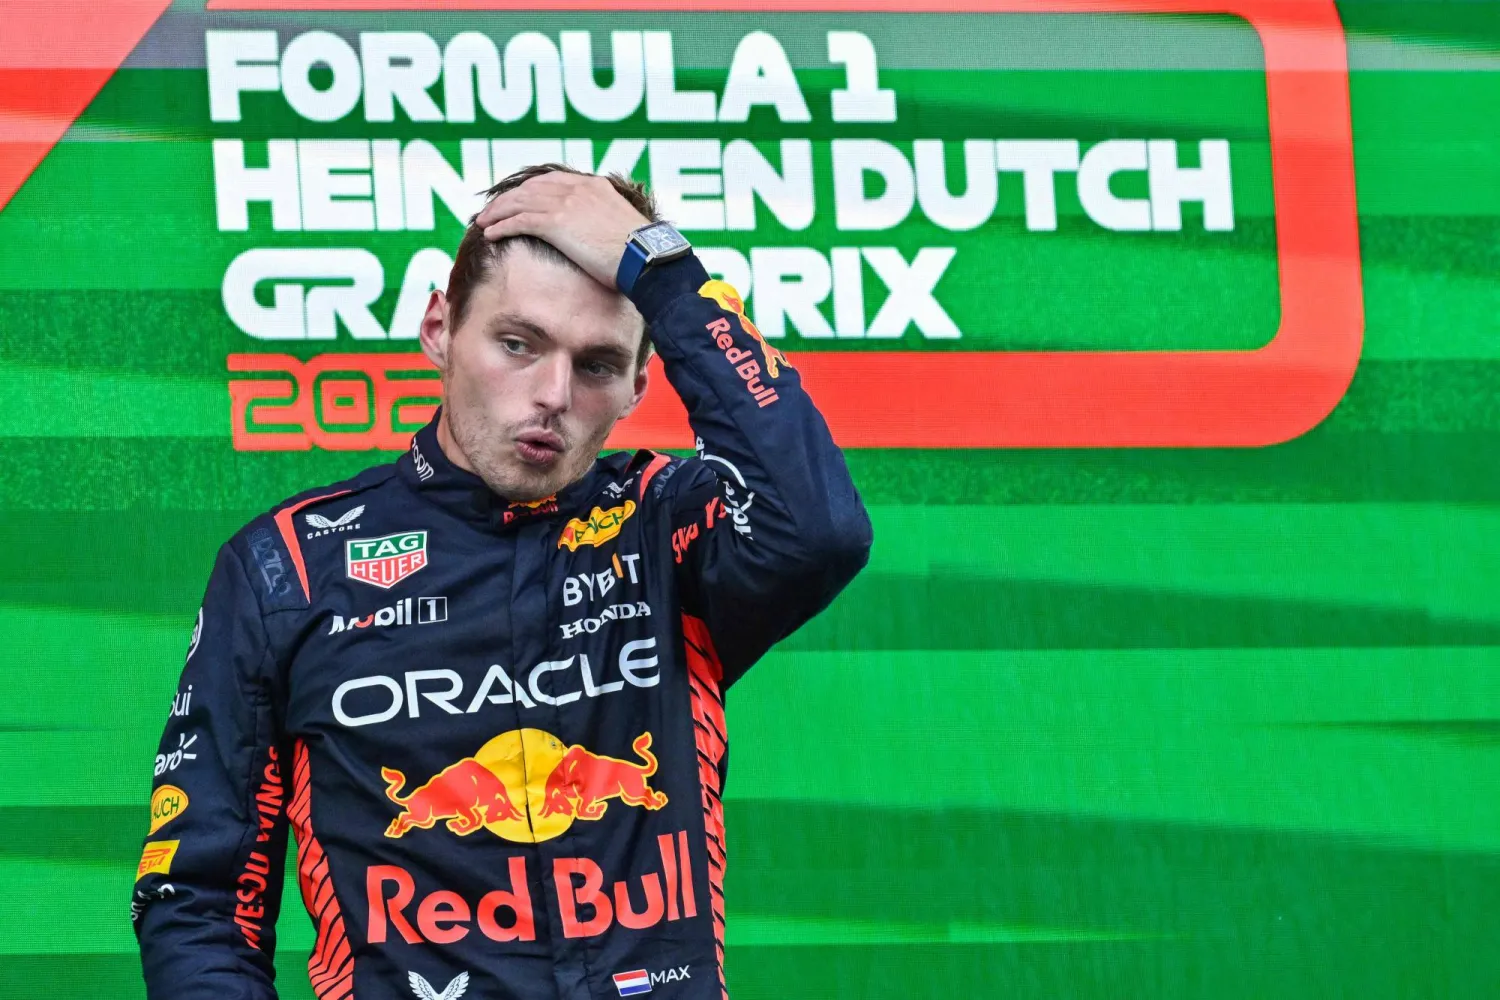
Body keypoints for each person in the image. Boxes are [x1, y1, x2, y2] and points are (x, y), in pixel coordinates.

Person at [132, 164, 873, 1000]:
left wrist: (664, 273)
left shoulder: (667, 526)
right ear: (439, 328)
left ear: (638, 384)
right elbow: (197, 898)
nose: (552, 395)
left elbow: (819, 530)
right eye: (517, 344)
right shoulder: (291, 566)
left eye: (596, 365)